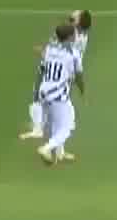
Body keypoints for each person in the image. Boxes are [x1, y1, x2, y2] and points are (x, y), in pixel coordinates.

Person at [23, 10, 92, 140]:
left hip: (56, 68)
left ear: (78, 22)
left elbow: (58, 47)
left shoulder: (73, 35)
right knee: (55, 100)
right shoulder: (79, 33)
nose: (74, 13)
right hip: (63, 69)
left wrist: (43, 51)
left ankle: (40, 128)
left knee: (40, 94)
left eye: (77, 15)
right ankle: (50, 134)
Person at [34, 22, 85, 166]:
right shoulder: (73, 53)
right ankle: (46, 148)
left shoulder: (49, 49)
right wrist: (82, 90)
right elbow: (79, 75)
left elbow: (42, 66)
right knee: (67, 127)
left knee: (56, 123)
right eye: (74, 34)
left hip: (44, 91)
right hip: (57, 95)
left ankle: (59, 153)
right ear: (70, 37)